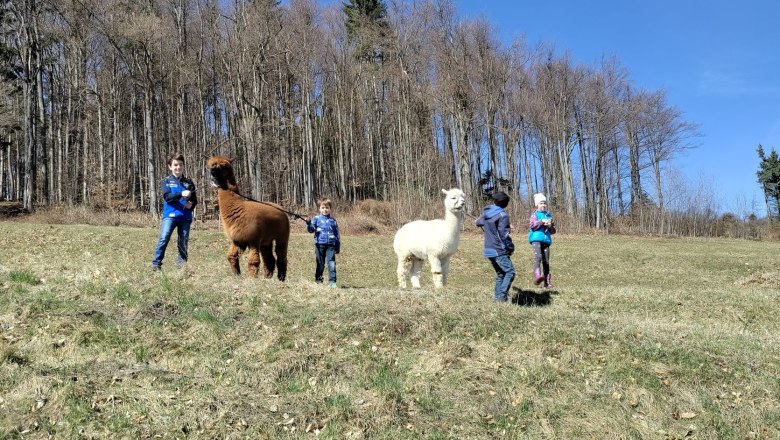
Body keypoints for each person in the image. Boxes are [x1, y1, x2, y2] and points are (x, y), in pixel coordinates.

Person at [151, 152, 198, 271]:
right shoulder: (166, 181)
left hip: (185, 217)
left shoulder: (189, 182)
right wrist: (181, 194)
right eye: (175, 165)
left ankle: (182, 268)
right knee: (164, 238)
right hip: (170, 216)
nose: (178, 167)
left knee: (183, 242)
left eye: (181, 165)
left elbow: (194, 200)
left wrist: (190, 205)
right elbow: (167, 197)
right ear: (170, 166)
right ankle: (156, 264)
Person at [476, 191, 515, 303]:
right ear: (505, 204)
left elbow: (478, 222)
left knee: (501, 274)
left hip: (488, 249)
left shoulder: (487, 213)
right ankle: (502, 297)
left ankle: (497, 299)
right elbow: (504, 235)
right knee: (510, 272)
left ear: (494, 201)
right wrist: (510, 248)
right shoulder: (503, 215)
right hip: (499, 249)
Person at [306, 197, 341, 288]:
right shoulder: (316, 219)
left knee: (331, 263)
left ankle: (332, 282)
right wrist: (309, 224)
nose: (325, 210)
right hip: (319, 244)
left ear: (330, 209)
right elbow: (311, 230)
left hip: (331, 245)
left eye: (327, 208)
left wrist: (337, 245)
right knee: (320, 263)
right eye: (323, 208)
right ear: (319, 209)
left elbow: (337, 234)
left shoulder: (333, 221)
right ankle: (319, 280)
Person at [529, 193, 556, 288]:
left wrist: (550, 226)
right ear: (537, 205)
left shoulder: (549, 215)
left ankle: (547, 283)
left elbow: (553, 231)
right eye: (541, 203)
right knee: (538, 257)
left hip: (546, 240)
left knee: (546, 261)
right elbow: (532, 225)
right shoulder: (534, 215)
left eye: (544, 203)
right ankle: (537, 276)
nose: (543, 205)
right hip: (536, 239)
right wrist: (541, 222)